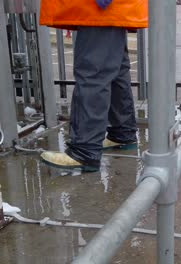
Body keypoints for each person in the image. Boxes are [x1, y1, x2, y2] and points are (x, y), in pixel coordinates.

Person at [39, 0, 148, 172]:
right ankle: (122, 134)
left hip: (98, 7)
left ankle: (84, 152)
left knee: (93, 72)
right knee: (116, 70)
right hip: (109, 8)